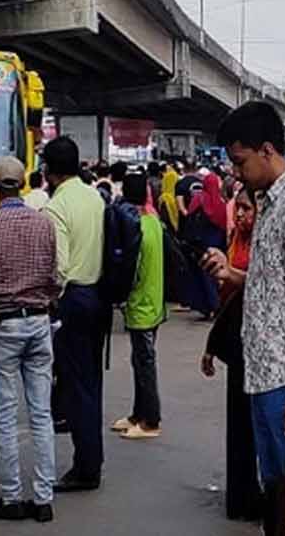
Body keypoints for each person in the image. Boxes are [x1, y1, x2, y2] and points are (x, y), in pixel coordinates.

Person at [205, 102, 285, 508]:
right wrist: (231, 274)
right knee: (280, 488)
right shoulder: (269, 205)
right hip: (265, 371)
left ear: (266, 150)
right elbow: (271, 285)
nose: (237, 173)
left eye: (240, 162)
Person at [0, 157, 60, 522]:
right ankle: (43, 497)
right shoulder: (44, 223)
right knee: (41, 413)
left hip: (2, 325)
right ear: (23, 183)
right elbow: (54, 275)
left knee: (4, 414)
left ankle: (11, 497)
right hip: (38, 321)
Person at [42, 136, 108, 492]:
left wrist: (50, 300)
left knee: (76, 387)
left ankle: (86, 468)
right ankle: (91, 460)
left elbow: (60, 267)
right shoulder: (94, 196)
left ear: (48, 172)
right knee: (91, 384)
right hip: (98, 295)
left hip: (74, 300)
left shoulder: (57, 207)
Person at [203, 186, 263, 522]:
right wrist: (212, 345)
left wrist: (230, 273)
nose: (240, 215)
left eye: (246, 209)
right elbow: (227, 303)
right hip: (237, 341)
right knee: (240, 423)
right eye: (237, 208)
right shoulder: (236, 241)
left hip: (260, 343)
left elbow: (265, 283)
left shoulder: (263, 245)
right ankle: (242, 497)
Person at [111, 172, 167, 441]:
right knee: (140, 360)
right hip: (154, 302)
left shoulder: (136, 228)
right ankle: (138, 414)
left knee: (145, 363)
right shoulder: (154, 221)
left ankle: (151, 421)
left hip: (141, 304)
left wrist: (121, 294)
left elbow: (131, 269)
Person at [180, 172, 226, 319]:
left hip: (200, 245)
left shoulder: (198, 200)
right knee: (215, 276)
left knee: (203, 276)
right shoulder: (221, 202)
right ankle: (216, 305)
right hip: (217, 245)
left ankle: (208, 307)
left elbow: (189, 219)